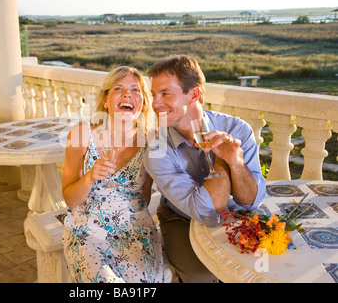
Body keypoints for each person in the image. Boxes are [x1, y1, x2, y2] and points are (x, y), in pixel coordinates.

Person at [143, 55, 266, 283]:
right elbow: (208, 210)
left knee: (261, 268)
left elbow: (251, 201)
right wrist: (222, 160)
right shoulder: (155, 149)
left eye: (166, 93)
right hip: (181, 218)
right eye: (153, 94)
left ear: (194, 94)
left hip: (235, 213)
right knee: (203, 277)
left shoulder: (237, 129)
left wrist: (236, 163)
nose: (155, 103)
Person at [62, 66, 165, 283]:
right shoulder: (81, 134)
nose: (127, 94)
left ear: (143, 103)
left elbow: (144, 197)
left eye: (135, 90)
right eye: (118, 88)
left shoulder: (152, 140)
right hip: (87, 230)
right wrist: (89, 177)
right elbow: (70, 199)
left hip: (134, 229)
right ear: (106, 100)